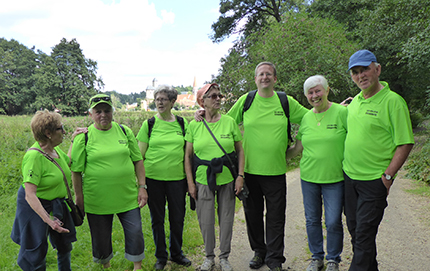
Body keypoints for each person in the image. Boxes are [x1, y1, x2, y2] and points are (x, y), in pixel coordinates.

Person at [225, 62, 308, 271]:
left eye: (268, 74)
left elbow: (311, 117)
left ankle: (275, 259)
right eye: (261, 74)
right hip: (249, 172)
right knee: (252, 216)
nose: (264, 77)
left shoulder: (284, 101)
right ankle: (259, 253)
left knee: (276, 217)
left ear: (275, 79)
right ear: (255, 79)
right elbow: (225, 122)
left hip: (276, 172)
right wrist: (202, 115)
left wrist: (298, 145)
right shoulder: (247, 100)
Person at [344, 50, 414, 271]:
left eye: (365, 69)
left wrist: (388, 176)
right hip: (349, 178)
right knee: (357, 233)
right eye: (355, 72)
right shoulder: (354, 102)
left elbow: (405, 143)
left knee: (364, 234)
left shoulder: (393, 102)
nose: (361, 75)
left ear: (378, 69)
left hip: (374, 181)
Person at [71, 94, 147, 271]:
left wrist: (142, 187)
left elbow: (138, 161)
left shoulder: (124, 131)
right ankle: (106, 266)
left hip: (127, 197)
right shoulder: (84, 137)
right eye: (98, 111)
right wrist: (79, 197)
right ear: (90, 114)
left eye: (107, 110)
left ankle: (137, 267)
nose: (103, 115)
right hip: (97, 199)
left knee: (135, 232)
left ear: (113, 112)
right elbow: (76, 171)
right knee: (101, 236)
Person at [287, 75, 347, 271]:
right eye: (310, 93)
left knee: (332, 221)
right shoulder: (306, 117)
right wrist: (275, 157)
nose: (314, 95)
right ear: (306, 96)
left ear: (327, 90)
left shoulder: (341, 112)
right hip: (309, 178)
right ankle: (316, 258)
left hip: (335, 178)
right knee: (312, 220)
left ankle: (333, 260)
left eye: (318, 90)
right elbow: (298, 148)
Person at [11, 110, 83, 271]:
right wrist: (48, 221)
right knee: (35, 249)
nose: (64, 131)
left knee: (64, 245)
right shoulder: (34, 157)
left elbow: (67, 162)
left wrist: (73, 141)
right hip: (34, 204)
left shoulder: (55, 150)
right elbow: (30, 195)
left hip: (56, 203)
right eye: (61, 128)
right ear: (48, 133)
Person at [185, 83, 245, 271]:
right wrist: (190, 183)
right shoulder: (194, 124)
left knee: (227, 218)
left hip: (227, 178)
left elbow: (240, 151)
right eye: (213, 96)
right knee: (205, 220)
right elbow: (187, 156)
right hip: (203, 179)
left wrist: (240, 176)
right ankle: (209, 257)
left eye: (220, 96)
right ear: (202, 101)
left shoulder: (229, 122)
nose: (218, 99)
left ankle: (224, 257)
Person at [136, 85, 191, 270]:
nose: (159, 102)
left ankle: (177, 254)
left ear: (173, 102)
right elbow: (139, 156)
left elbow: (189, 152)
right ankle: (161, 256)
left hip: (177, 179)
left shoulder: (183, 124)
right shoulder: (149, 124)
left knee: (177, 217)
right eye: (157, 99)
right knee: (157, 219)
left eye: (163, 99)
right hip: (154, 179)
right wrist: (141, 184)